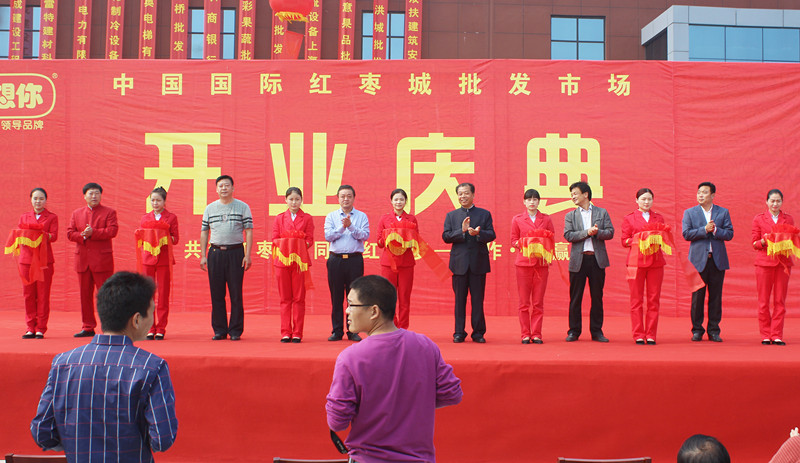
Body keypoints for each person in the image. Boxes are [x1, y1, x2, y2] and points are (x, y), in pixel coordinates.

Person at [31, 271, 178, 462]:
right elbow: (163, 438)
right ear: (136, 320)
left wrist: (77, 446)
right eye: (151, 312)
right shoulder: (152, 367)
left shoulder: (63, 363)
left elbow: (42, 431)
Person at [326, 275, 462, 463]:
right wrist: (414, 402)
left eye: (351, 304)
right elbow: (452, 394)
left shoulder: (351, 358)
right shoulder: (425, 345)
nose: (347, 311)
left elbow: (337, 421)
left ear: (374, 311)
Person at [200, 175, 253, 341]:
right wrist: (203, 255)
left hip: (236, 253)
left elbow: (249, 231)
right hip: (215, 253)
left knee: (235, 293)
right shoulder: (210, 208)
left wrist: (247, 255)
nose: (224, 188)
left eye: (227, 185)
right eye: (221, 186)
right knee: (217, 293)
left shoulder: (243, 207)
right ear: (216, 189)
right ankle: (219, 330)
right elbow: (204, 232)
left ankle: (235, 330)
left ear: (233, 188)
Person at [443, 182, 496, 343]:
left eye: (466, 193)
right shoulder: (451, 215)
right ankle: (459, 332)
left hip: (478, 263)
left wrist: (478, 233)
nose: (463, 196)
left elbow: (492, 234)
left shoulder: (484, 214)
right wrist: (462, 231)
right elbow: (446, 236)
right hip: (459, 264)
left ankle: (478, 333)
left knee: (477, 300)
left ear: (473, 195)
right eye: (460, 194)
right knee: (459, 300)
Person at [682, 181, 733, 342]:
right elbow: (686, 234)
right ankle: (697, 330)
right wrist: (704, 229)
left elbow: (729, 234)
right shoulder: (690, 213)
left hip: (717, 260)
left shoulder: (723, 212)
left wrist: (716, 230)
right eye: (699, 192)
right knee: (697, 297)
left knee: (715, 297)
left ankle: (714, 330)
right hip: (698, 261)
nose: (701, 195)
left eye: (704, 192)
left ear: (713, 195)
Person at [563, 181, 614, 342]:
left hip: (597, 260)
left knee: (597, 297)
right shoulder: (570, 216)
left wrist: (597, 232)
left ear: (585, 194)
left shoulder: (602, 212)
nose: (573, 197)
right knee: (575, 297)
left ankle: (597, 331)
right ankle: (574, 331)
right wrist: (587, 232)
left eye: (575, 194)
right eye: (571, 194)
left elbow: (610, 232)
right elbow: (568, 235)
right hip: (578, 260)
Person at [67, 182, 118, 338]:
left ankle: (109, 326)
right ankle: (88, 327)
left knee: (105, 295)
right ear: (84, 196)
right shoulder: (76, 213)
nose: (94, 196)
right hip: (82, 261)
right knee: (85, 295)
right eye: (91, 193)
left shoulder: (109, 212)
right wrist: (83, 235)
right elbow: (70, 233)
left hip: (102, 261)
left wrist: (93, 233)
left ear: (101, 195)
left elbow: (112, 231)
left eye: (97, 193)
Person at [621, 188, 667, 345]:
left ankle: (651, 334)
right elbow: (624, 241)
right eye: (643, 199)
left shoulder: (658, 218)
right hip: (636, 263)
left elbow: (664, 238)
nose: (646, 202)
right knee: (636, 300)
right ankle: (638, 334)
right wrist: (639, 239)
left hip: (655, 262)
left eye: (649, 199)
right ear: (636, 200)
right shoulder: (629, 218)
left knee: (654, 299)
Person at [324, 184, 370, 342]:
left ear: (354, 198)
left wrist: (351, 226)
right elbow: (328, 236)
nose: (346, 199)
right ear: (338, 198)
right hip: (335, 260)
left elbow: (365, 235)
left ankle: (353, 331)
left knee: (354, 298)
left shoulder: (362, 216)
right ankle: (337, 331)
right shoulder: (331, 216)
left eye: (349, 196)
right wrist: (341, 228)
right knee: (336, 297)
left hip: (354, 260)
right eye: (342, 196)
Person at [510, 188, 554, 344]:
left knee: (538, 302)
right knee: (524, 302)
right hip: (523, 264)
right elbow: (513, 240)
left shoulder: (546, 219)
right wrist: (525, 243)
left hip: (541, 264)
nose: (532, 202)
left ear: (539, 201)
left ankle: (536, 334)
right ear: (524, 202)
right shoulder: (517, 219)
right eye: (529, 199)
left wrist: (543, 243)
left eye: (535, 199)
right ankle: (525, 334)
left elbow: (551, 238)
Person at [272, 187, 314, 343]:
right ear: (286, 200)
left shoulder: (307, 218)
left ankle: (297, 332)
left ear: (301, 200)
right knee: (285, 298)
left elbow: (310, 239)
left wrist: (298, 244)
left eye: (297, 199)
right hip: (282, 261)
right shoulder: (279, 218)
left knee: (299, 298)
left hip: (299, 262)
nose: (294, 202)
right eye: (291, 199)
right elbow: (274, 239)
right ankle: (285, 332)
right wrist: (287, 243)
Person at [752, 189, 793, 346]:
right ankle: (765, 334)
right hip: (764, 263)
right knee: (763, 301)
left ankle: (776, 335)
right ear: (767, 202)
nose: (775, 204)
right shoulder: (759, 219)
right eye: (772, 201)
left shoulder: (788, 218)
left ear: (782, 202)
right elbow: (754, 243)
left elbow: (792, 239)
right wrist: (764, 241)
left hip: (783, 264)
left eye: (778, 201)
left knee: (779, 300)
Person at [17, 187, 58, 339]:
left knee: (42, 295)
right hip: (26, 261)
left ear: (46, 200)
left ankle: (40, 327)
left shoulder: (52, 217)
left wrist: (39, 234)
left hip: (43, 261)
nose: (38, 201)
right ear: (31, 200)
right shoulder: (24, 217)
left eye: (41, 198)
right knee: (28, 294)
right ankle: (30, 327)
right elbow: (20, 235)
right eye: (35, 198)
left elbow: (54, 236)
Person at [139, 186, 179, 340]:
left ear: (164, 201)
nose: (155, 203)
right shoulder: (145, 218)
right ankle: (150, 327)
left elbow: (175, 239)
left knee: (163, 294)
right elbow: (142, 238)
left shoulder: (171, 217)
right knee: (147, 294)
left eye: (158, 200)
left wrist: (163, 235)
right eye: (153, 200)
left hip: (163, 260)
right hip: (147, 260)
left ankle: (161, 327)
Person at [376, 188, 418, 329]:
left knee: (405, 298)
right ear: (391, 201)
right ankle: (392, 326)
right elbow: (379, 242)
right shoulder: (384, 219)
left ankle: (403, 328)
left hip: (406, 263)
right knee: (388, 297)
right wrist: (387, 237)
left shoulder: (411, 219)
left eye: (401, 199)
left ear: (405, 201)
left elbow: (416, 239)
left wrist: (408, 240)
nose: (398, 202)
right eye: (396, 199)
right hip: (389, 264)